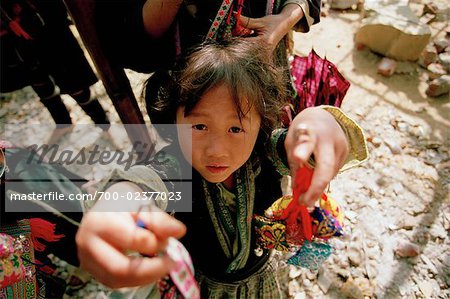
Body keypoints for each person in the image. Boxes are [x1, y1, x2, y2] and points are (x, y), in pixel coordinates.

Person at [76, 40, 368, 296]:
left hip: (261, 284)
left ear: (261, 125)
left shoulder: (265, 152)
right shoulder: (176, 166)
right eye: (200, 126)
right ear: (173, 120)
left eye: (236, 128)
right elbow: (143, 184)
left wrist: (320, 122)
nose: (216, 150)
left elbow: (303, 147)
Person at [0, 0, 110, 142]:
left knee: (74, 81)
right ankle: (63, 123)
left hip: (42, 17)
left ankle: (104, 125)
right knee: (39, 81)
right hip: (9, 32)